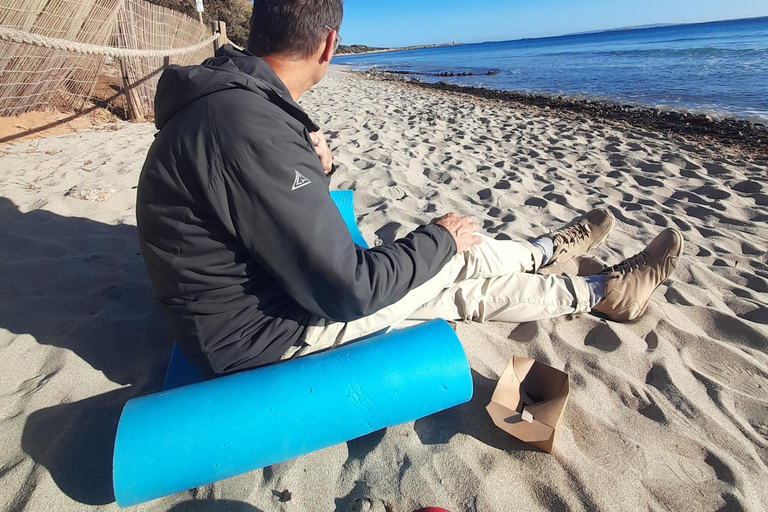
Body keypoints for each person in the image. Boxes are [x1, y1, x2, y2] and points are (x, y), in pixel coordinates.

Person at [136, 0, 683, 378]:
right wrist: (439, 237)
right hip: (263, 337)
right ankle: (601, 293)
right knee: (456, 272)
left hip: (257, 303)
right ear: (330, 45)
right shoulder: (247, 128)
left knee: (453, 259)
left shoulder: (225, 101)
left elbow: (257, 207)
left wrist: (316, 168)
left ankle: (545, 254)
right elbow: (348, 290)